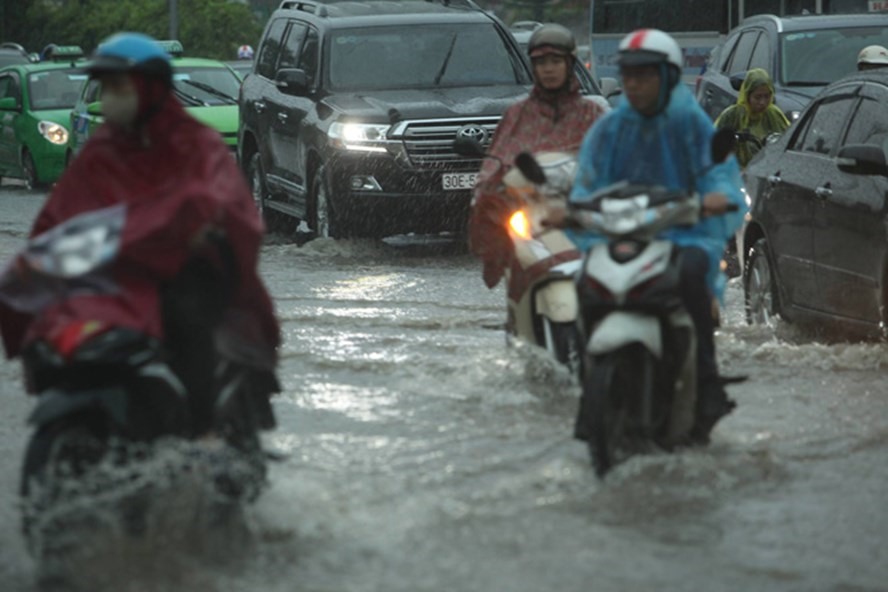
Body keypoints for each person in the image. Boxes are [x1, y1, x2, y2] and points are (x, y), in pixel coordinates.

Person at [0, 32, 280, 437]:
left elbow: (227, 210)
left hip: (185, 270)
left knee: (189, 316)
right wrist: (40, 259)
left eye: (119, 87)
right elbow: (60, 218)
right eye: (105, 88)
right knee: (28, 289)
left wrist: (183, 230)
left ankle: (203, 434)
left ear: (149, 87)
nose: (109, 98)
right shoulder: (102, 150)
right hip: (114, 269)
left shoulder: (195, 143)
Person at [568, 29, 747, 444]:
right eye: (629, 74)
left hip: (684, 235)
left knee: (691, 280)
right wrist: (570, 207)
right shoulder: (609, 129)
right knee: (582, 283)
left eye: (645, 75)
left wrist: (716, 196)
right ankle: (587, 386)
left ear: (667, 77)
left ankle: (706, 383)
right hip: (619, 234)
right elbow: (586, 183)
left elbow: (719, 173)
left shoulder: (691, 124)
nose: (634, 83)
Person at [469, 23, 606, 289]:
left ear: (570, 64)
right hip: (531, 217)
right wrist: (492, 191)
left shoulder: (592, 115)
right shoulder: (517, 116)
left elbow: (614, 167)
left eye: (556, 61)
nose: (549, 68)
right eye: (541, 62)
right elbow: (495, 166)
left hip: (584, 218)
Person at [715, 68, 790, 168]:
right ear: (747, 96)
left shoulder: (774, 115)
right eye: (757, 97)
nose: (763, 102)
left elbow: (789, 139)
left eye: (767, 96)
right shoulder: (731, 115)